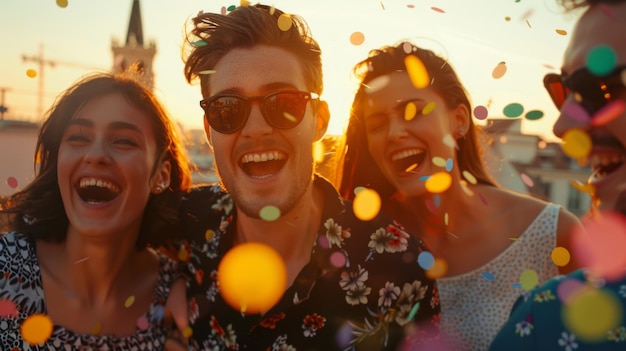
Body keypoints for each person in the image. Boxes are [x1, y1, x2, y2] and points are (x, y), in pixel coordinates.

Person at [174, 4, 440, 350]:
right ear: (209, 131)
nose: (256, 129)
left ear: (320, 120)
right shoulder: (184, 222)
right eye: (228, 108)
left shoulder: (398, 269)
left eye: (284, 102)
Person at [337, 41, 583, 350]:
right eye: (377, 124)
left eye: (412, 111)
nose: (395, 132)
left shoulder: (553, 235)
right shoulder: (357, 247)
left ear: (460, 121)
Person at [0, 73, 191, 349]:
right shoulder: (6, 269)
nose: (96, 154)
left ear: (161, 175)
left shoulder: (187, 301)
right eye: (78, 137)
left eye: (124, 141)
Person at [490, 0, 626, 349]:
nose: (563, 124)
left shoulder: (549, 322)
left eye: (599, 88)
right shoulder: (550, 318)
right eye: (564, 90)